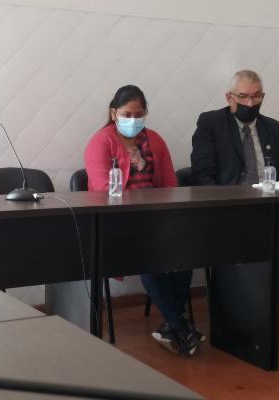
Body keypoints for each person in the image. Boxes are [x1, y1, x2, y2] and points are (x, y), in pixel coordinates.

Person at [85, 85, 204, 355]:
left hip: (156, 220)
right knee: (149, 255)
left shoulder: (155, 141)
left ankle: (172, 325)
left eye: (139, 114)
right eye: (127, 114)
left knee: (185, 252)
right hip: (117, 223)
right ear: (114, 113)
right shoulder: (101, 142)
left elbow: (170, 186)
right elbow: (103, 191)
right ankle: (180, 325)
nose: (133, 120)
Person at [190, 69, 279, 308]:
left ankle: (271, 299)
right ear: (229, 97)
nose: (250, 103)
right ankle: (251, 304)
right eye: (243, 96)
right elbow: (202, 176)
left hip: (269, 207)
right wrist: (227, 204)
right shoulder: (211, 123)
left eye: (256, 96)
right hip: (230, 209)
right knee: (250, 238)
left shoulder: (273, 128)